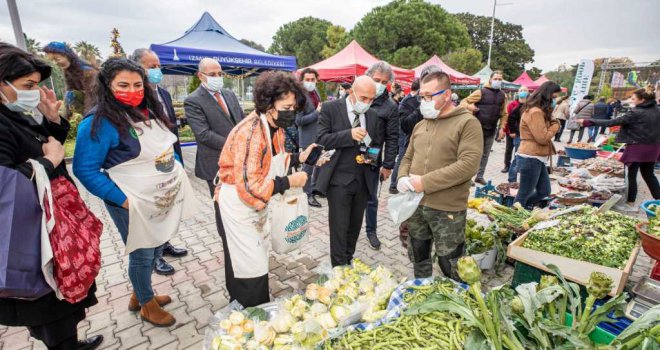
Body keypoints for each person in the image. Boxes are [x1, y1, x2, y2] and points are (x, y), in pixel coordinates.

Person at [74, 58, 198, 327]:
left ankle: (139, 294)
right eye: (123, 85)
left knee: (157, 246)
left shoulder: (145, 111)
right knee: (142, 253)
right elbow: (85, 170)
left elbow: (162, 149)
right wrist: (124, 200)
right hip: (129, 202)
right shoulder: (97, 122)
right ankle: (146, 305)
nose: (132, 90)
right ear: (108, 86)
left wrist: (175, 170)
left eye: (137, 84)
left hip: (157, 199)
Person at [0, 42, 103, 350]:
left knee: (64, 302)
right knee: (50, 311)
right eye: (27, 86)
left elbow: (43, 143)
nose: (34, 92)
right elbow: (6, 183)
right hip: (31, 238)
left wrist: (51, 120)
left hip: (54, 228)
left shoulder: (13, 113)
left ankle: (70, 342)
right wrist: (48, 163)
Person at [216, 71, 322, 306]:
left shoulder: (275, 127)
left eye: (294, 106)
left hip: (254, 204)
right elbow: (251, 187)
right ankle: (251, 312)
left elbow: (274, 160)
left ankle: (246, 306)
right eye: (286, 106)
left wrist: (299, 157)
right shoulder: (250, 133)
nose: (291, 112)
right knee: (248, 265)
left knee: (254, 259)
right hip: (238, 203)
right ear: (268, 104)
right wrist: (289, 182)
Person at [397, 71, 483, 279]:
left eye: (430, 96)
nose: (424, 101)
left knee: (450, 262)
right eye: (422, 96)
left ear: (447, 95)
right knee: (419, 254)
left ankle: (457, 299)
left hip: (447, 208)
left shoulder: (467, 123)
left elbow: (468, 165)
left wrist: (424, 182)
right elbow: (408, 157)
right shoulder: (421, 124)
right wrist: (402, 177)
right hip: (416, 205)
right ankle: (423, 290)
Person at [316, 75, 392, 266]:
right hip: (338, 179)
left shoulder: (373, 115)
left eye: (371, 99)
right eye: (364, 98)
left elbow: (376, 143)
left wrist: (373, 158)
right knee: (339, 227)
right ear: (351, 92)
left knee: (354, 226)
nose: (367, 103)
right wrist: (348, 135)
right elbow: (321, 138)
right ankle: (338, 268)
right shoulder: (330, 108)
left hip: (363, 179)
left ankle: (348, 260)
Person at [184, 58, 245, 296]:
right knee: (224, 214)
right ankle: (231, 253)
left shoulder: (229, 94)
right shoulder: (193, 101)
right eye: (212, 73)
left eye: (220, 72)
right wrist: (236, 145)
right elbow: (203, 134)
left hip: (240, 162)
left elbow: (240, 121)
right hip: (216, 167)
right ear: (201, 76)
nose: (217, 76)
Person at [130, 48, 189, 276]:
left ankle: (165, 244)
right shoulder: (137, 97)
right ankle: (154, 257)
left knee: (167, 207)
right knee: (153, 211)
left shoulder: (162, 93)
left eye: (158, 66)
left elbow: (170, 128)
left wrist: (178, 161)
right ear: (138, 69)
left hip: (169, 158)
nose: (157, 71)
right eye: (151, 66)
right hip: (149, 163)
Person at [578, 86, 660, 210]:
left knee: (631, 176)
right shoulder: (658, 110)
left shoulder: (636, 112)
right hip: (653, 148)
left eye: (633, 98)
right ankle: (658, 200)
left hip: (636, 147)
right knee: (649, 175)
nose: (631, 101)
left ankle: (631, 203)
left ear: (642, 100)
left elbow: (613, 122)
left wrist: (588, 122)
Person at [361, 62, 399, 250]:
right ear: (368, 77)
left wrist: (388, 165)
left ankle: (371, 231)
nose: (380, 84)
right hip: (349, 156)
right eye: (376, 80)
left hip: (373, 158)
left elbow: (393, 138)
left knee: (371, 197)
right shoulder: (356, 98)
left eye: (384, 81)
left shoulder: (390, 106)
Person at [514, 81, 562, 209]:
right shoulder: (535, 112)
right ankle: (513, 216)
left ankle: (525, 208)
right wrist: (555, 126)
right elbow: (542, 138)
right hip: (530, 157)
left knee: (544, 191)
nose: (555, 100)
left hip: (537, 157)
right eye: (554, 97)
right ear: (547, 95)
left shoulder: (539, 111)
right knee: (524, 193)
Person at [460, 71, 508, 185]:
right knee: (474, 154)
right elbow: (463, 101)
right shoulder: (481, 92)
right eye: (496, 78)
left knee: (485, 154)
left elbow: (504, 113)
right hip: (477, 128)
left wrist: (502, 128)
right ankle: (467, 178)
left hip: (491, 129)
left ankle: (479, 176)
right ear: (490, 79)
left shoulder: (503, 95)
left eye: (500, 79)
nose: (498, 81)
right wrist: (469, 106)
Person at [43, 41, 98, 119]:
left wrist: (87, 118)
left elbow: (92, 98)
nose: (55, 63)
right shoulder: (68, 70)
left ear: (67, 56)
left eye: (57, 59)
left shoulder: (88, 72)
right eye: (52, 60)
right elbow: (70, 91)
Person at [296, 68, 323, 208]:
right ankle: (307, 194)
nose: (310, 82)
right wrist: (317, 113)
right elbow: (298, 121)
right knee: (308, 166)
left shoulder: (315, 92)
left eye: (313, 79)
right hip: (307, 137)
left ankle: (314, 188)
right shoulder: (300, 96)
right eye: (308, 79)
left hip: (318, 134)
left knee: (318, 163)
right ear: (302, 80)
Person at [390, 78, 420, 194]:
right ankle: (393, 184)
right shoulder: (408, 101)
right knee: (402, 158)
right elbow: (405, 122)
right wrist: (418, 110)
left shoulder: (410, 99)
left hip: (408, 134)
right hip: (405, 135)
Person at [502, 86, 529, 173]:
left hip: (522, 132)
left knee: (519, 150)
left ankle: (517, 166)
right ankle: (507, 165)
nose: (523, 92)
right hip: (511, 131)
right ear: (518, 92)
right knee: (509, 149)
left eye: (525, 90)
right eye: (521, 90)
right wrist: (509, 131)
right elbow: (508, 118)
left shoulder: (529, 105)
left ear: (528, 92)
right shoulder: (512, 104)